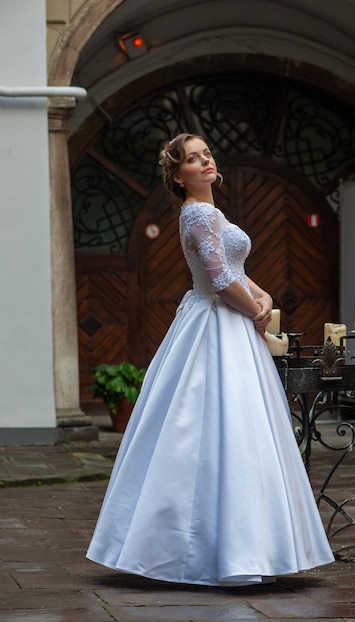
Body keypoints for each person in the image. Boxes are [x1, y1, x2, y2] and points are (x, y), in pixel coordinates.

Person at [86, 133, 334, 586]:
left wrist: (263, 295)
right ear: (177, 176)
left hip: (229, 319)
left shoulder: (213, 213)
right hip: (216, 323)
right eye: (192, 159)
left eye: (206, 155)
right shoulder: (197, 212)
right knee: (216, 426)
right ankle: (221, 549)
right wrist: (255, 309)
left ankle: (247, 546)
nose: (204, 162)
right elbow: (219, 280)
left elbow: (233, 270)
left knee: (239, 426)